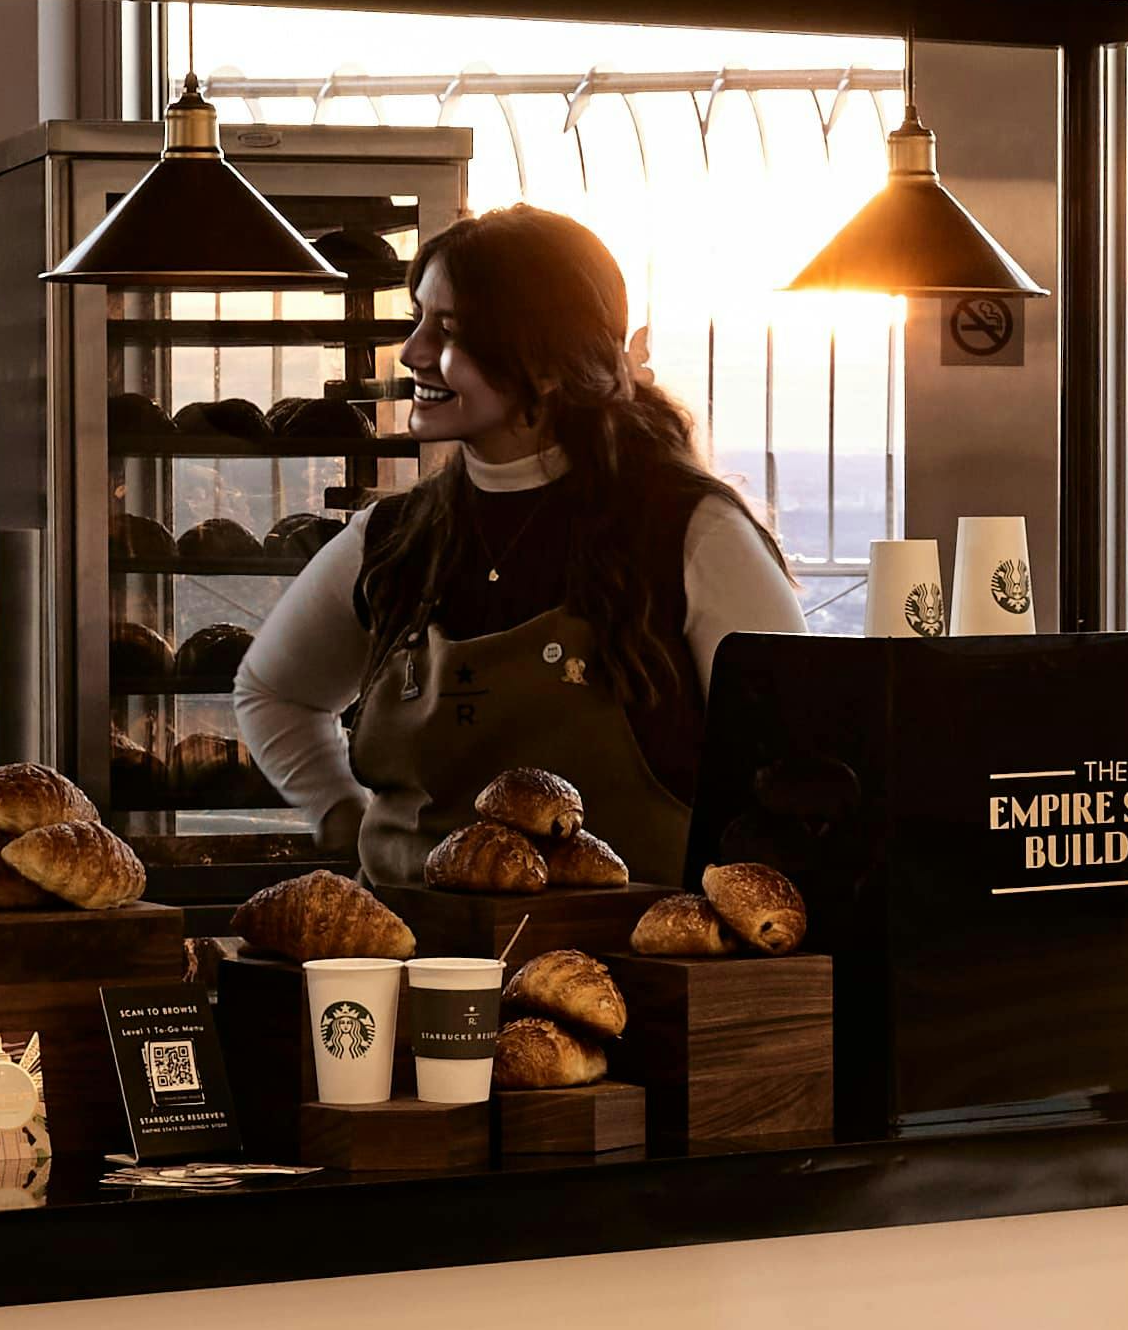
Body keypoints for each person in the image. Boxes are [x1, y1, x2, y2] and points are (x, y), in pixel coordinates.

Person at [232, 203, 805, 888]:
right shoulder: (391, 539)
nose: (413, 351)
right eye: (418, 322)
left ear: (548, 359)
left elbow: (791, 770)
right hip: (407, 963)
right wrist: (341, 814)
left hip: (623, 976)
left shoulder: (692, 533)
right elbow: (272, 692)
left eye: (449, 330)